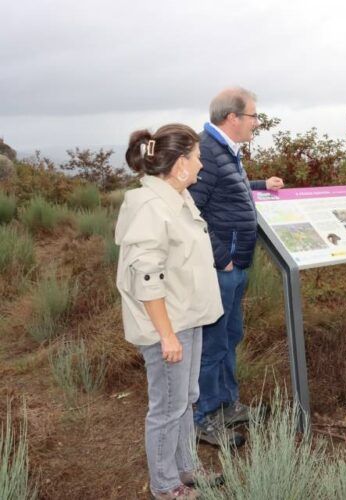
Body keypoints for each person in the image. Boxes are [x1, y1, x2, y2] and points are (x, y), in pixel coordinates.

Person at [115, 124, 223, 500]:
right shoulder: (150, 206)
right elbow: (147, 277)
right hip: (168, 326)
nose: (201, 166)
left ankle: (185, 468)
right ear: (180, 165)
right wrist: (166, 336)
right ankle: (165, 486)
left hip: (185, 317)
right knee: (167, 407)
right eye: (196, 158)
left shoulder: (177, 198)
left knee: (185, 398)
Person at [188, 87, 284, 446]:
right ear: (233, 118)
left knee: (229, 336)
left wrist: (260, 184)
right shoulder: (208, 152)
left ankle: (226, 404)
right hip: (221, 269)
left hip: (233, 267)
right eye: (253, 116)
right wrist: (221, 257)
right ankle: (203, 417)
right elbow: (191, 211)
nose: (256, 123)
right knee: (213, 343)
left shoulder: (224, 151)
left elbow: (226, 190)